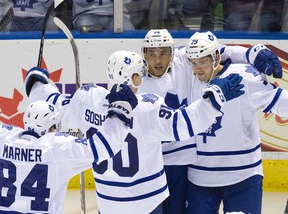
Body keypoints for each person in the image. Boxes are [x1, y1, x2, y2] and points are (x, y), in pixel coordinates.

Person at [24, 50, 244, 214]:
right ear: (135, 78)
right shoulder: (147, 107)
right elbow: (184, 123)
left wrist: (37, 83)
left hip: (108, 203)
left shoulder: (87, 100)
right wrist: (215, 98)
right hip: (147, 204)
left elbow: (56, 103)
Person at [138, 28, 282, 214]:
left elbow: (218, 50)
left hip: (223, 171)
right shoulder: (139, 76)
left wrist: (250, 53)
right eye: (152, 53)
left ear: (172, 53)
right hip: (175, 170)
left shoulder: (186, 60)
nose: (158, 59)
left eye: (163, 53)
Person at [184, 31, 288, 214]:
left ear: (216, 58)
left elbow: (280, 102)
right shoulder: (185, 75)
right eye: (194, 62)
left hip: (243, 175)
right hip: (199, 177)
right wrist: (248, 53)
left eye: (203, 62)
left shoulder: (243, 77)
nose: (198, 68)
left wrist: (250, 53)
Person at [0, 93, 136, 213]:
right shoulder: (57, 147)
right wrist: (121, 111)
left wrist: (34, 82)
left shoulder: (4, 137)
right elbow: (103, 147)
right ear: (53, 127)